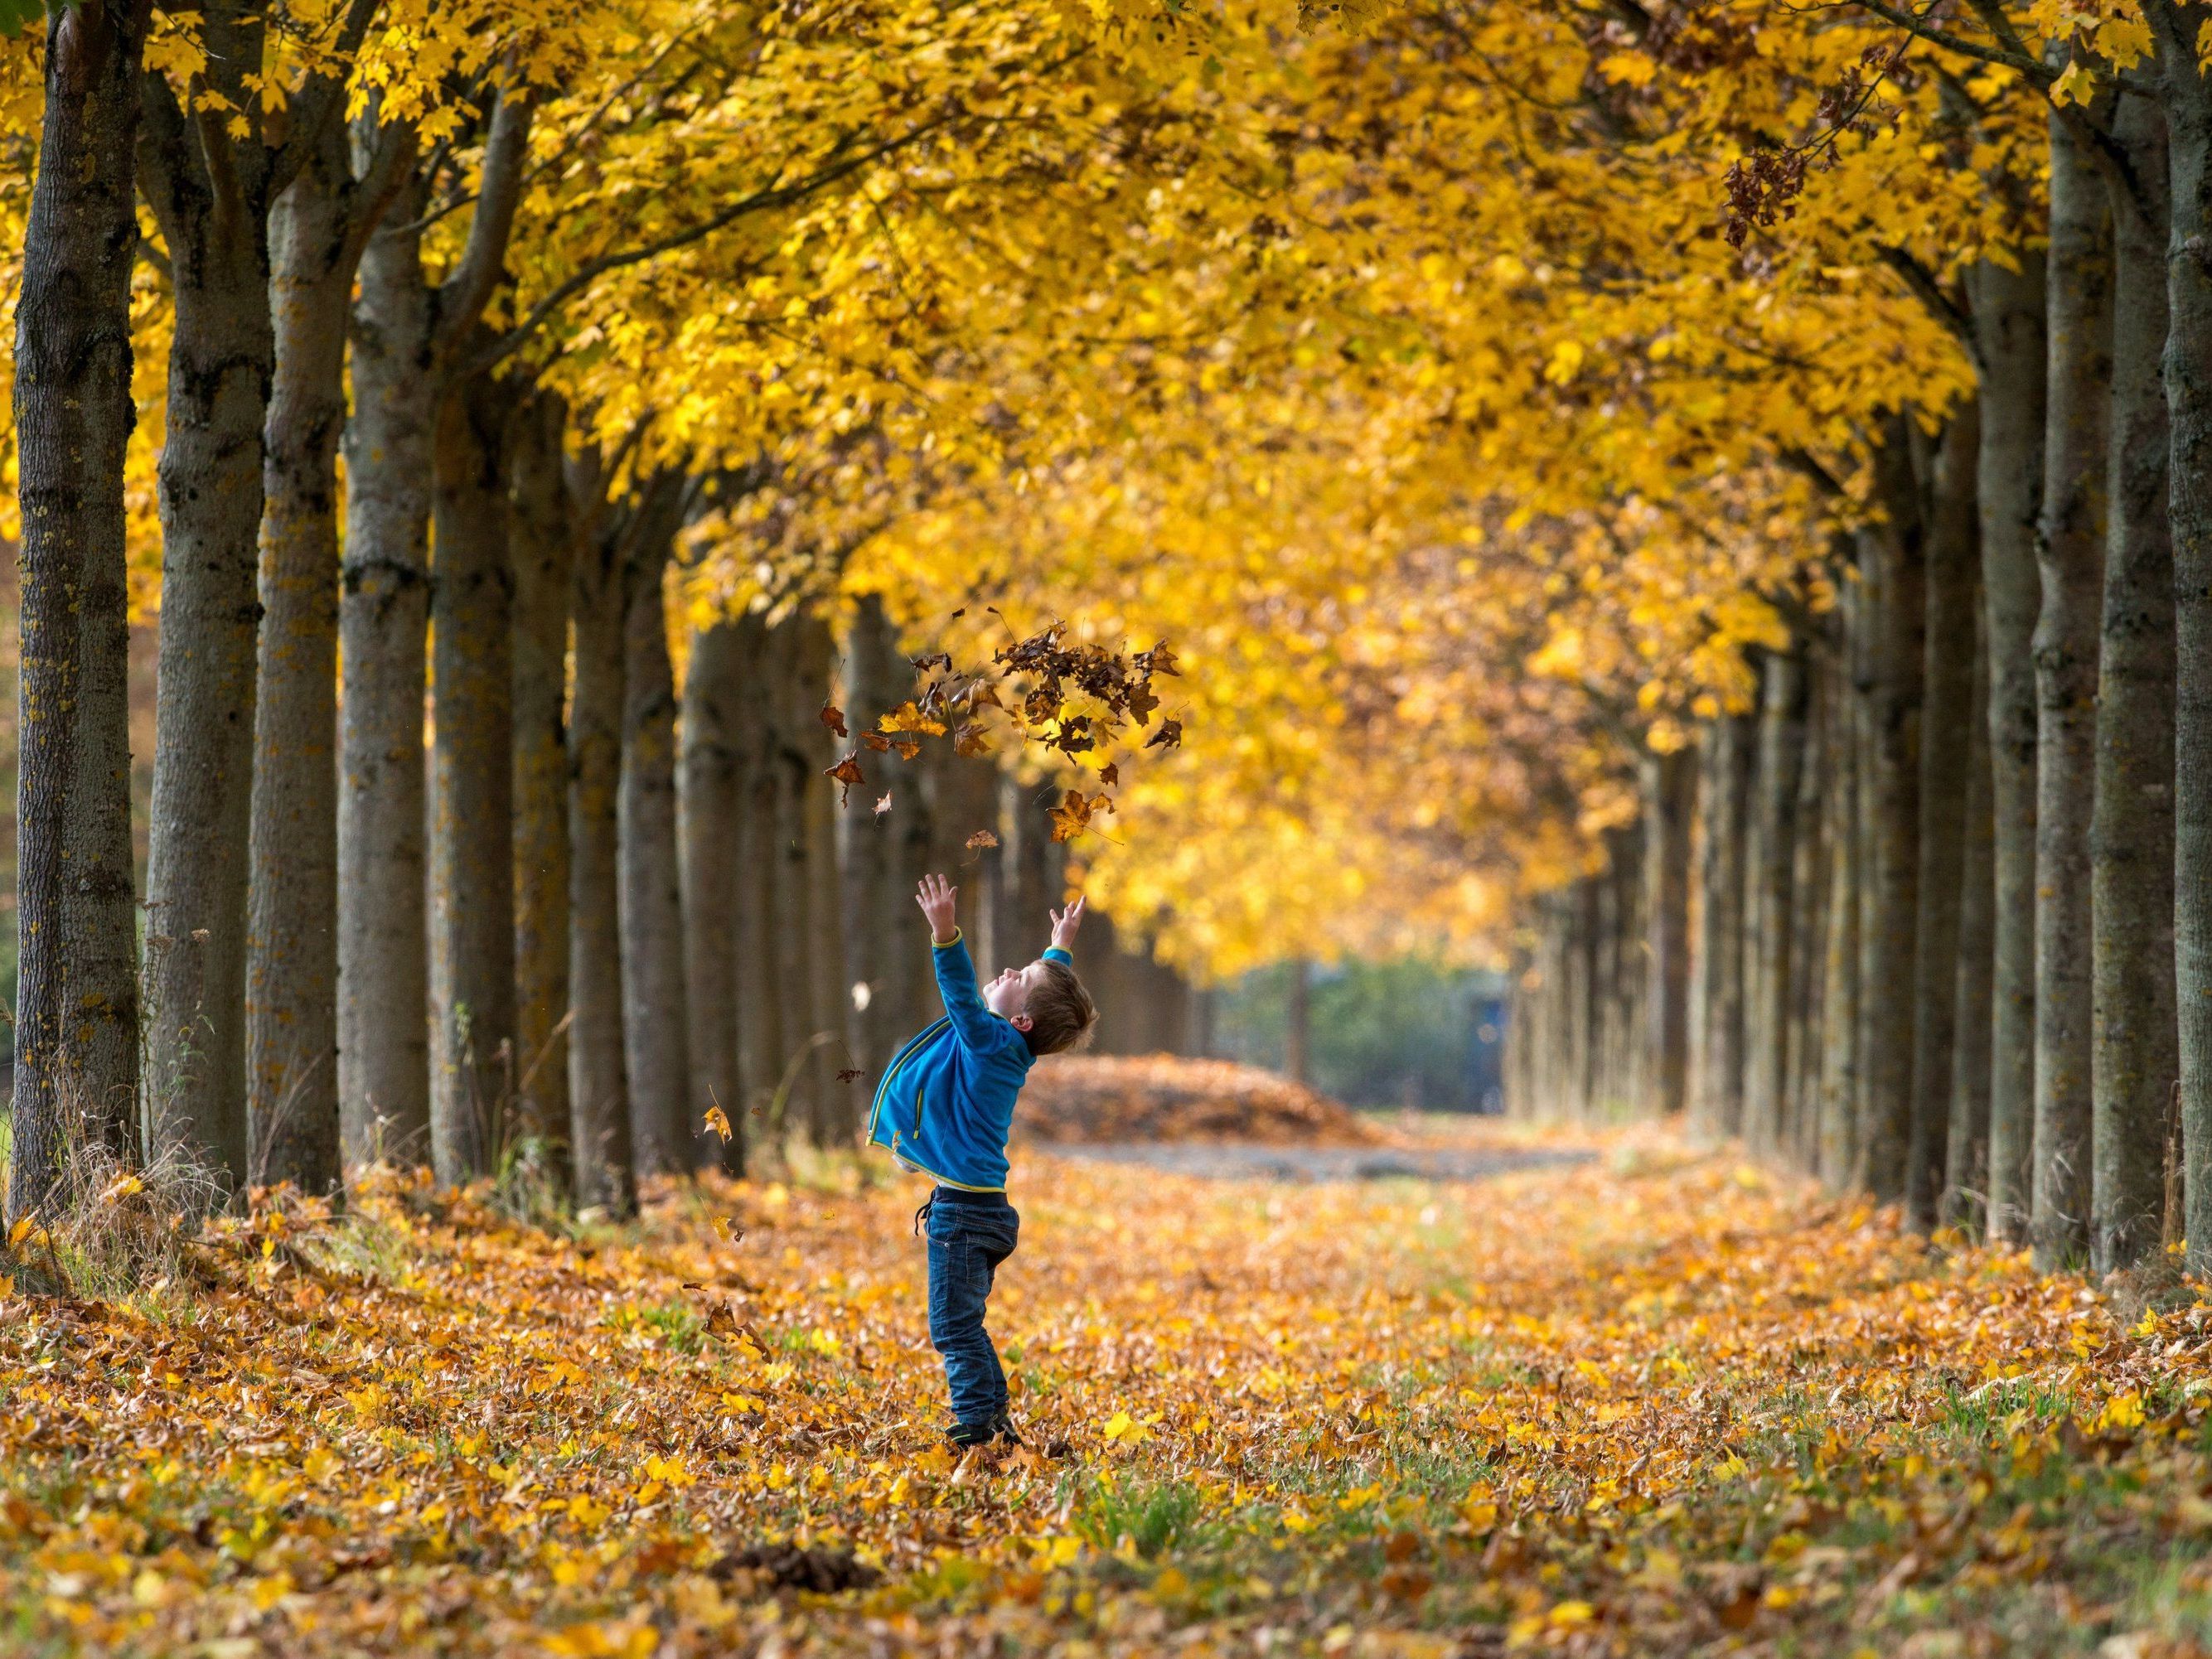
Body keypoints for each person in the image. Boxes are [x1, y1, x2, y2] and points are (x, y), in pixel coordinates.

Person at [868, 873, 1096, 1449]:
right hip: (980, 1211)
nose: (1006, 973)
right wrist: (1057, 949)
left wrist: (944, 934)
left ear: (1018, 1020)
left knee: (952, 1328)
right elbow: (1038, 999)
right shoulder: (1008, 1047)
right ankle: (993, 1425)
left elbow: (963, 996)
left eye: (1016, 978)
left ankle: (976, 1428)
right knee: (964, 1326)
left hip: (964, 1218)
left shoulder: (990, 1042)